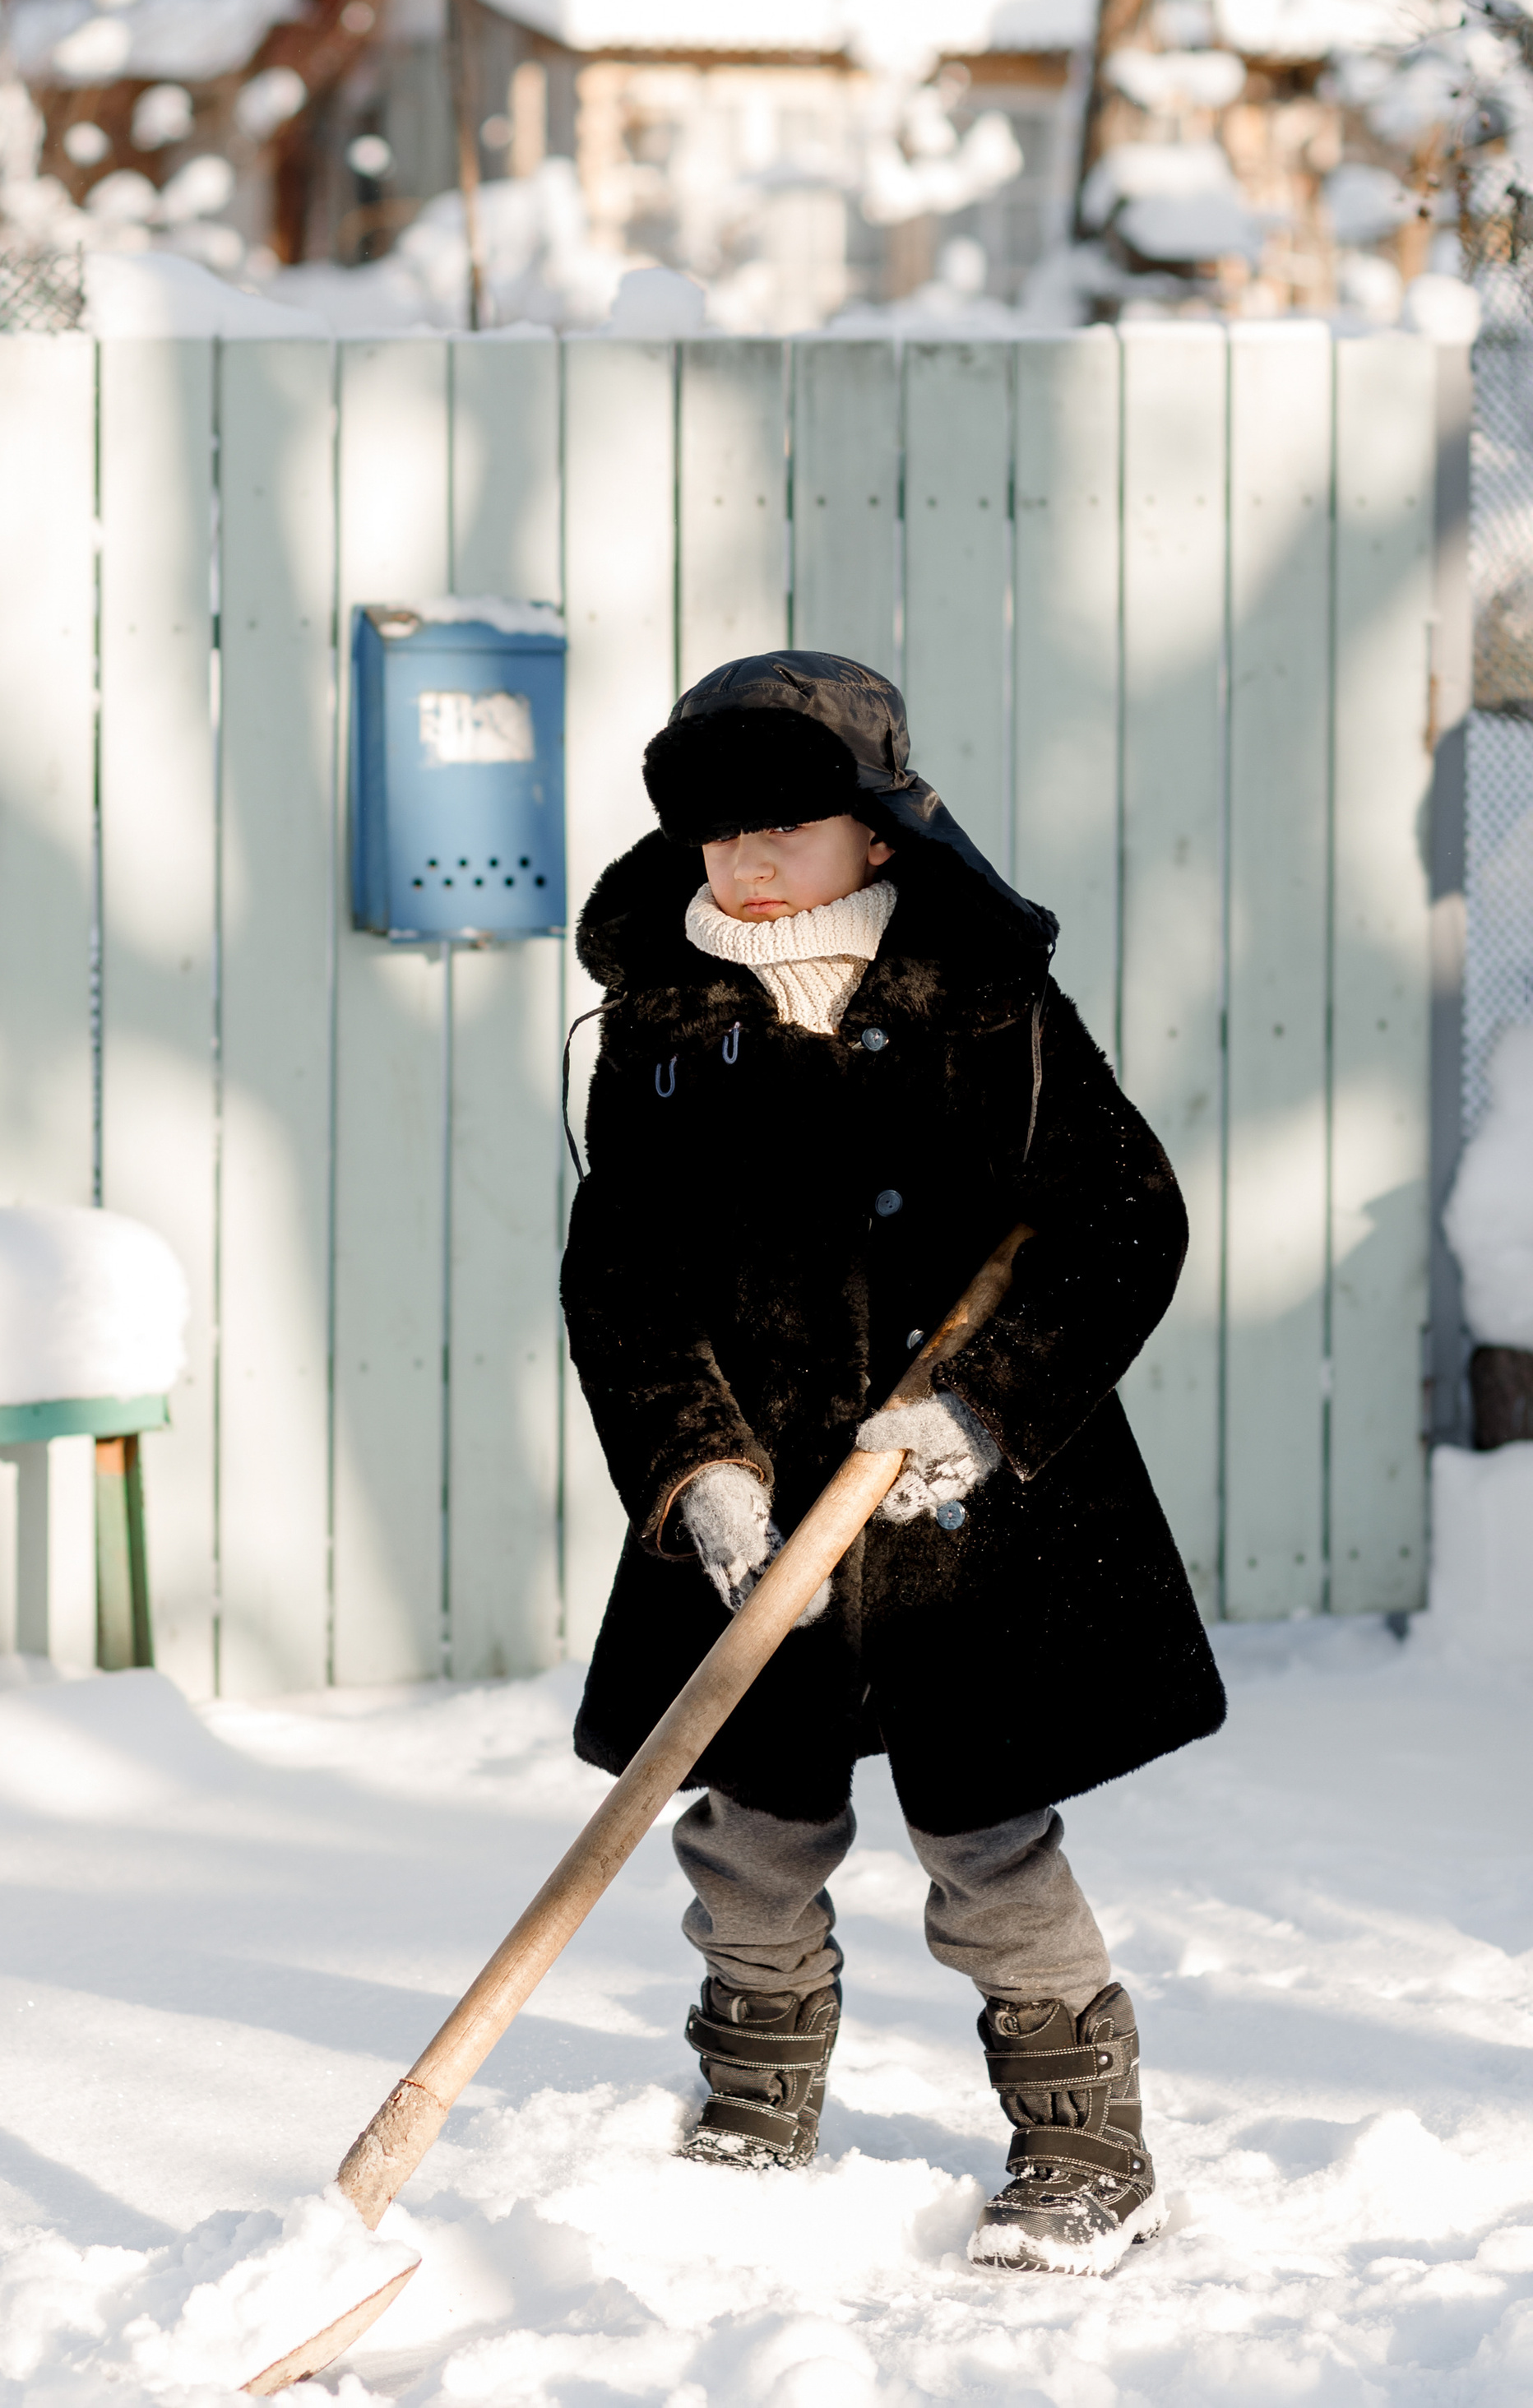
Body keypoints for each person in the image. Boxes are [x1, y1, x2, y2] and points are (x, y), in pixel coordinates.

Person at [561, 650, 1225, 2275]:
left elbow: (1119, 1219)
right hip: (764, 1511)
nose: (745, 857)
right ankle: (754, 2096)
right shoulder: (662, 1033)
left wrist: (982, 1406)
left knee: (985, 1833)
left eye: (783, 820)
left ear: (875, 829)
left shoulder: (979, 1004)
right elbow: (620, 1281)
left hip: (960, 1517)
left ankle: (1081, 2135)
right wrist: (695, 1473)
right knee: (749, 1824)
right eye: (715, 829)